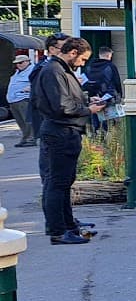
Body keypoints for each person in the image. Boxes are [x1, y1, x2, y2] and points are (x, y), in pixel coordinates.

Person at [30, 36, 106, 245]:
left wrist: (86, 100)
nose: (82, 63)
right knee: (57, 183)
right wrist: (88, 109)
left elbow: (66, 100)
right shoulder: (54, 71)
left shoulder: (60, 70)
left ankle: (68, 226)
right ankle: (58, 231)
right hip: (60, 132)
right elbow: (62, 106)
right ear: (72, 53)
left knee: (63, 182)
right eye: (82, 59)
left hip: (65, 131)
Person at [83, 45, 122, 131]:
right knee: (111, 126)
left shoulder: (89, 66)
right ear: (109, 55)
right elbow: (117, 82)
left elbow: (84, 82)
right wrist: (119, 96)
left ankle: (97, 140)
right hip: (109, 98)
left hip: (93, 99)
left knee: (95, 125)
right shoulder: (111, 66)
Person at [7, 52, 36, 147]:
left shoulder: (33, 70)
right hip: (14, 100)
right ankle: (25, 138)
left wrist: (30, 88)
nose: (18, 65)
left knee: (27, 120)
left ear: (27, 61)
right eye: (16, 63)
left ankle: (31, 138)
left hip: (24, 99)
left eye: (21, 62)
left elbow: (38, 82)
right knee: (20, 121)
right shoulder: (17, 72)